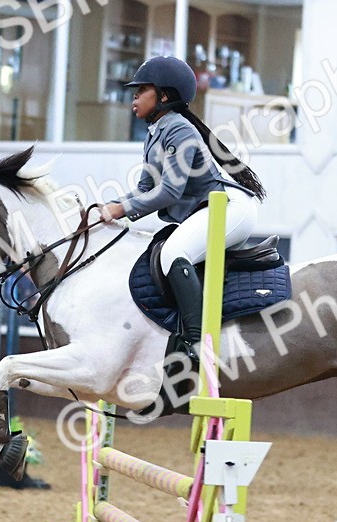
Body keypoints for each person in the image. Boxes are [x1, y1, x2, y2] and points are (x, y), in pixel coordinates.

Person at [100, 57, 264, 370]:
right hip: (210, 210)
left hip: (231, 209)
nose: (133, 97)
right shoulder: (155, 133)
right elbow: (145, 188)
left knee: (173, 252)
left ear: (163, 96)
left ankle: (196, 341)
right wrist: (108, 207)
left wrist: (120, 210)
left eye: (142, 91)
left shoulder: (178, 130)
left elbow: (168, 192)